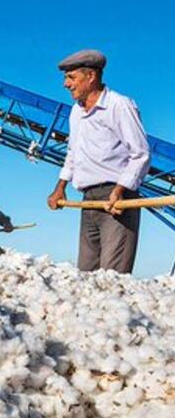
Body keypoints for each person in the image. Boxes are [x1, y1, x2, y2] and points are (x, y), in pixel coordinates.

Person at [46, 49, 150, 274]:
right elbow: (73, 153)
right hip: (89, 201)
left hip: (117, 201)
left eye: (71, 77)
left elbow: (140, 154)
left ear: (91, 76)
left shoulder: (119, 105)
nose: (66, 84)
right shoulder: (76, 112)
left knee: (112, 277)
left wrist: (120, 189)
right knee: (85, 276)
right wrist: (60, 188)